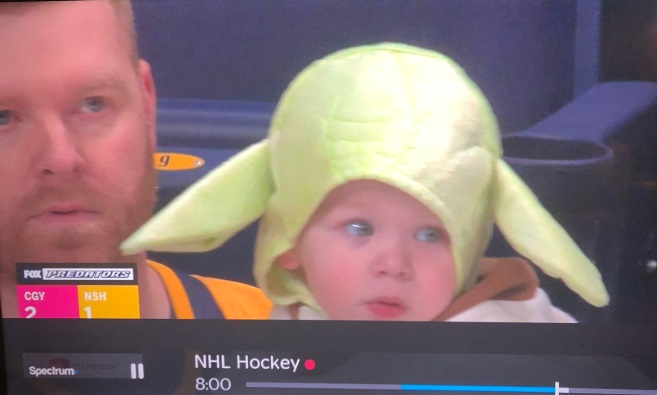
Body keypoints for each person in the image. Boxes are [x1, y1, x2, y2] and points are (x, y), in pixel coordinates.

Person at [121, 43, 609, 321]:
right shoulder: (275, 331)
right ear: (290, 244)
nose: (395, 265)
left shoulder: (517, 334)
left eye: (430, 234)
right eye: (358, 229)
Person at [0, 0, 271, 319]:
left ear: (147, 104)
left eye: (93, 104)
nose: (61, 159)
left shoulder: (281, 334)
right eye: (3, 117)